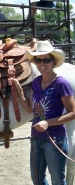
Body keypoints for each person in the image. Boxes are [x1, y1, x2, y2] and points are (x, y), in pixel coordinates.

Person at [8, 40, 75, 184]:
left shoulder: (61, 84)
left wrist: (47, 123)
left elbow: (73, 113)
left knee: (57, 180)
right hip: (36, 138)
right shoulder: (37, 82)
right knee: (37, 179)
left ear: (53, 61)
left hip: (55, 139)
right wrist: (18, 89)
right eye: (38, 60)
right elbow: (31, 109)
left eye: (46, 60)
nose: (42, 64)